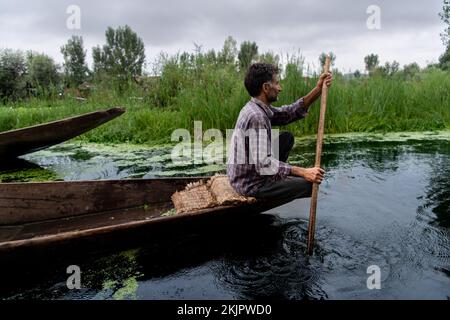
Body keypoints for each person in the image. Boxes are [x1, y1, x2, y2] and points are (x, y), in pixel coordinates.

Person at [227, 62, 333, 201]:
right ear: (266, 87)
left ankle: (276, 178)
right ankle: (270, 183)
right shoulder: (257, 116)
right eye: (277, 83)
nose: (280, 88)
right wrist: (303, 172)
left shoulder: (256, 106)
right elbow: (264, 163)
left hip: (252, 170)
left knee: (286, 138)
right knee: (310, 185)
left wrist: (318, 89)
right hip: (250, 184)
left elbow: (287, 113)